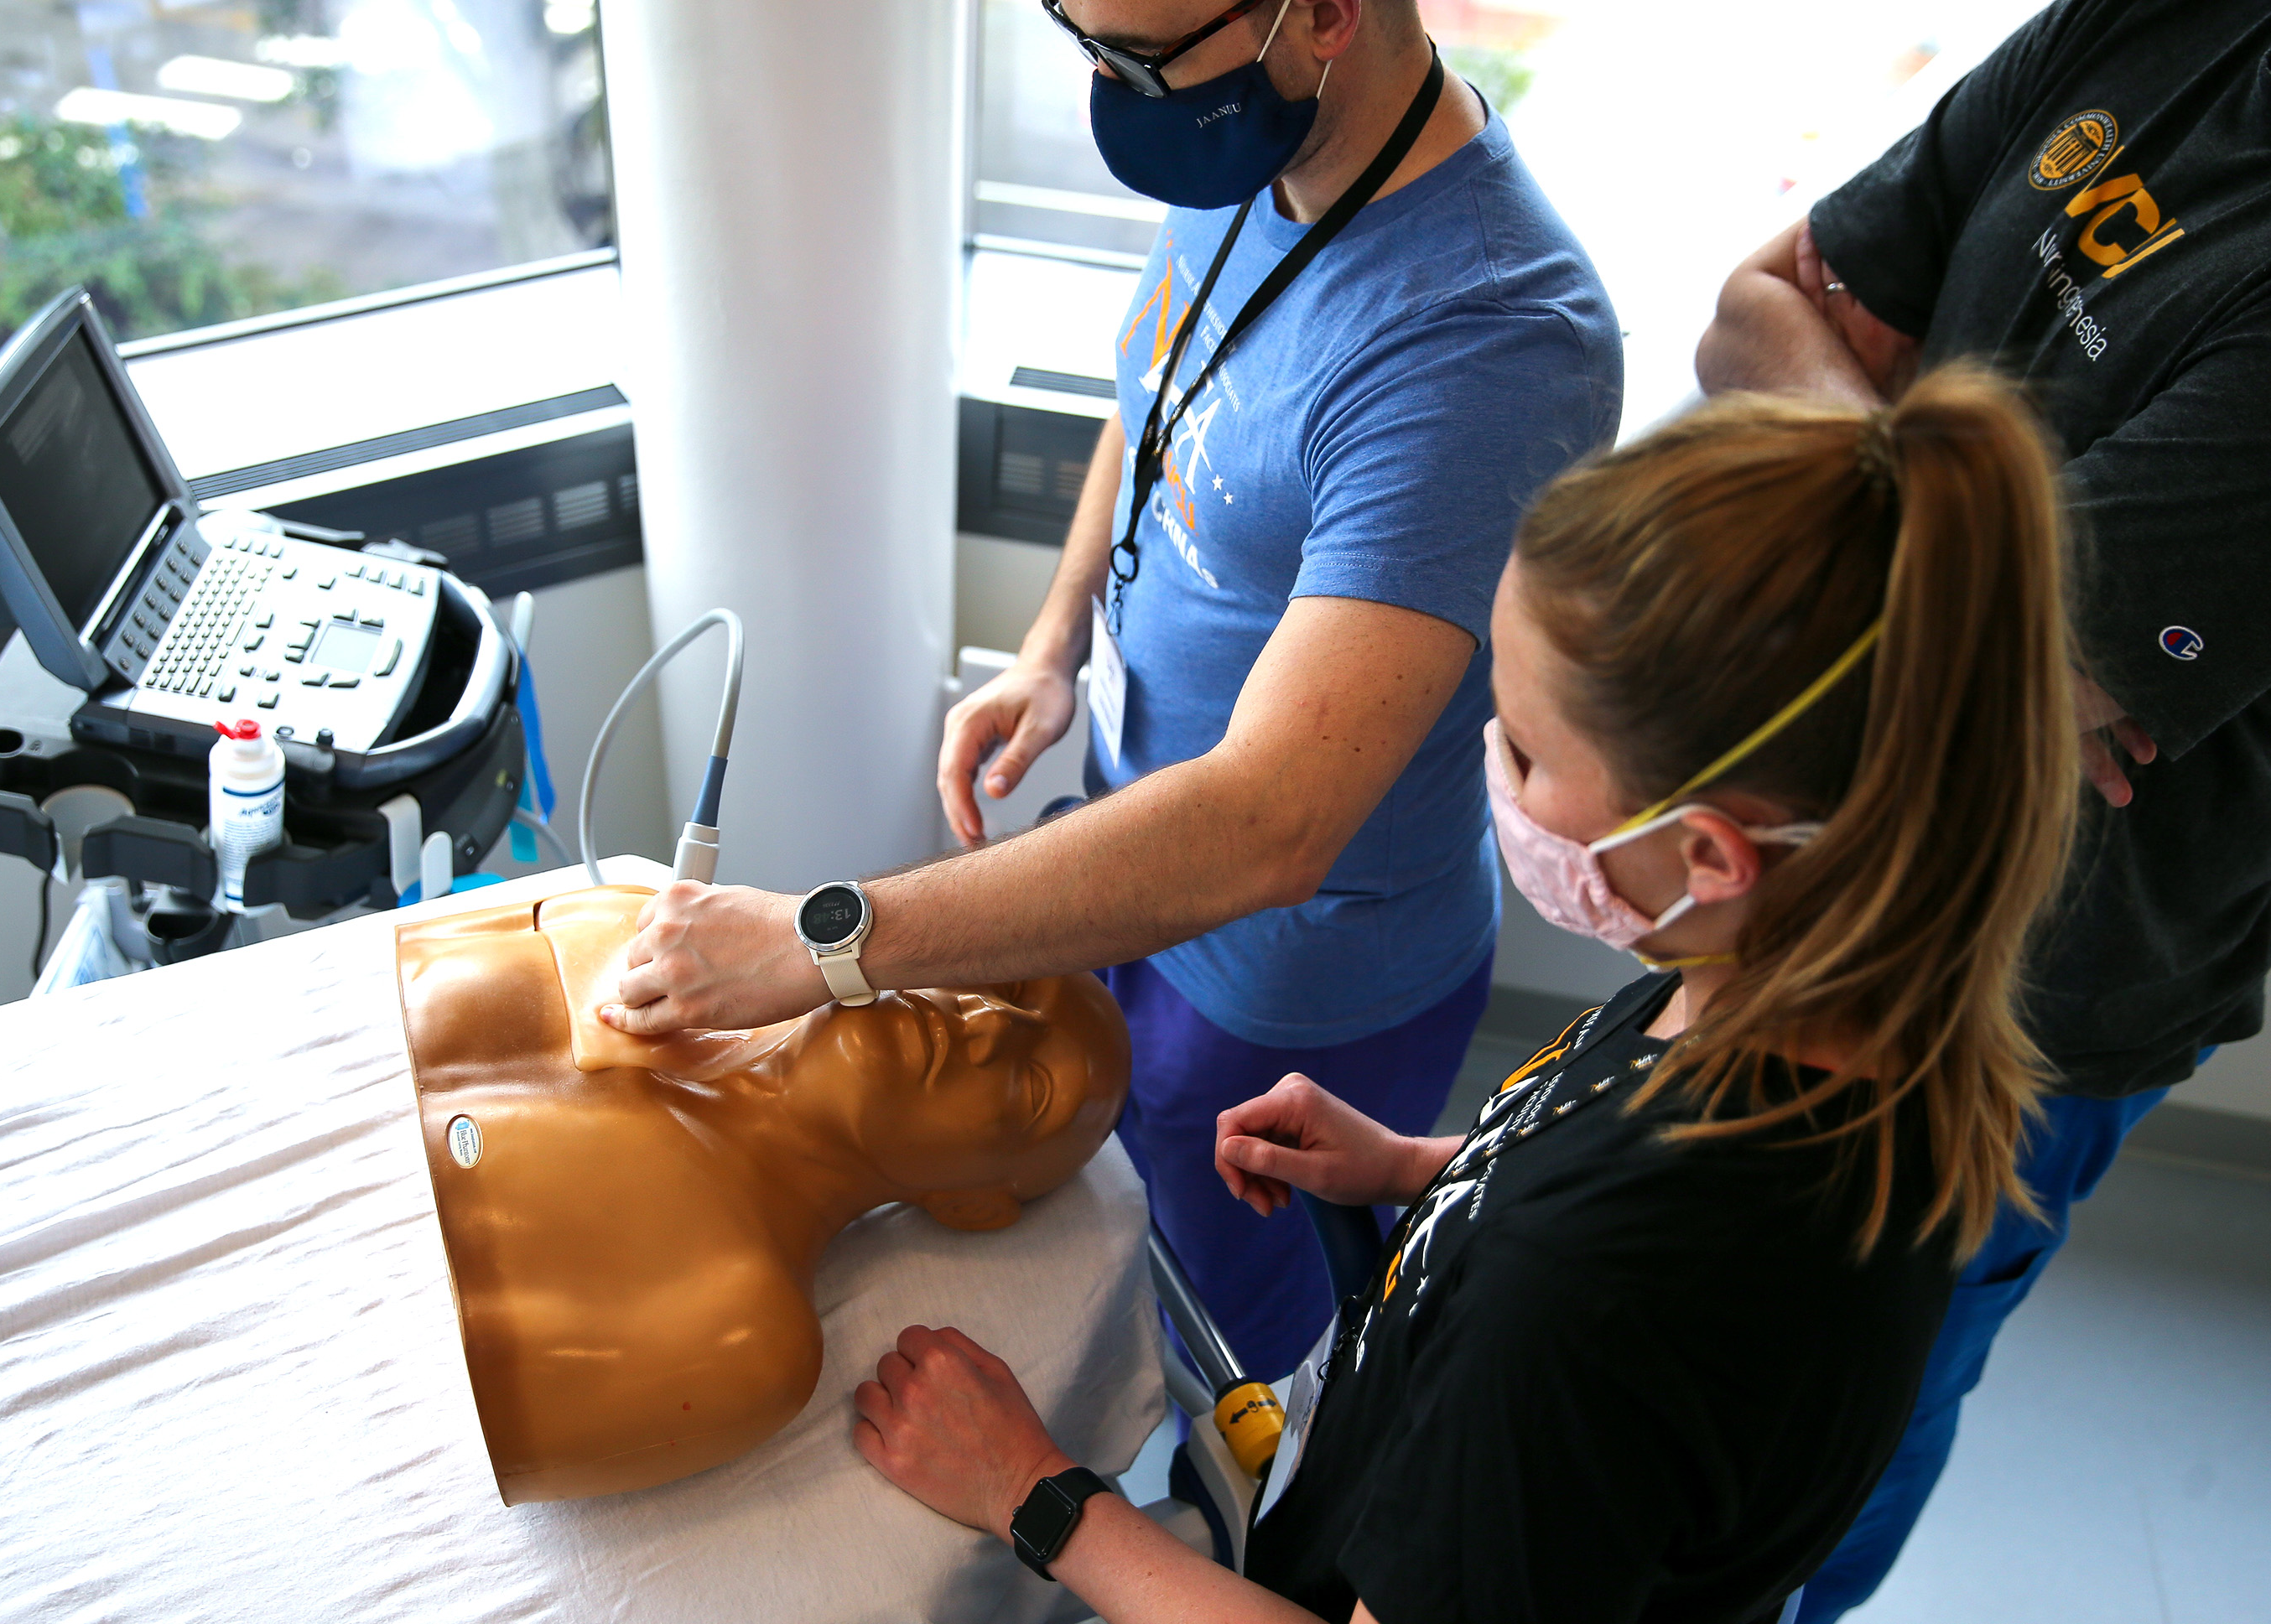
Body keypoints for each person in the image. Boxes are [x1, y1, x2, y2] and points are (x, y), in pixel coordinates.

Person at [850, 368, 2081, 1624]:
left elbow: (1599, 1301)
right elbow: (1606, 1164)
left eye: (1530, 750)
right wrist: (1421, 1168)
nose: (1491, 760)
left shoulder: (1594, 1298)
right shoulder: (1809, 1007)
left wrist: (1035, 1490)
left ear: (1709, 854)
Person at [604, 0, 1620, 1378]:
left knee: (1230, 1348)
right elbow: (1161, 397)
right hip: (1139, 846)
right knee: (1097, 1231)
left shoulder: (1486, 340)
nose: (1105, 87)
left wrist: (822, 940)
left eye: (1137, 58)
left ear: (1319, 15)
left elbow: (1269, 822)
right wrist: (1053, 640)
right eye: (1077, 41)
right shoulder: (1254, 154)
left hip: (1293, 971)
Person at [1695, 3, 2271, 1614]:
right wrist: (1984, 612)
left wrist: (1888, 538)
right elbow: (1747, 309)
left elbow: (1977, 648)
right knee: (1671, 1311)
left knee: (1832, 1426)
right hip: (1809, 859)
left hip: (2021, 992)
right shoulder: (2162, 17)